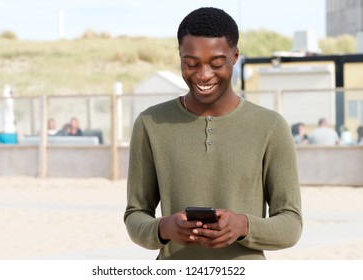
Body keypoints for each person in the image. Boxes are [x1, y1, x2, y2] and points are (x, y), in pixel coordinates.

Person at [124, 7, 302, 260]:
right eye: (191, 63)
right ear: (180, 56)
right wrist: (163, 228)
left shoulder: (270, 126)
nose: (203, 75)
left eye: (217, 63)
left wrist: (243, 226)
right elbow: (135, 215)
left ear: (235, 56)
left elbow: (291, 224)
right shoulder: (150, 123)